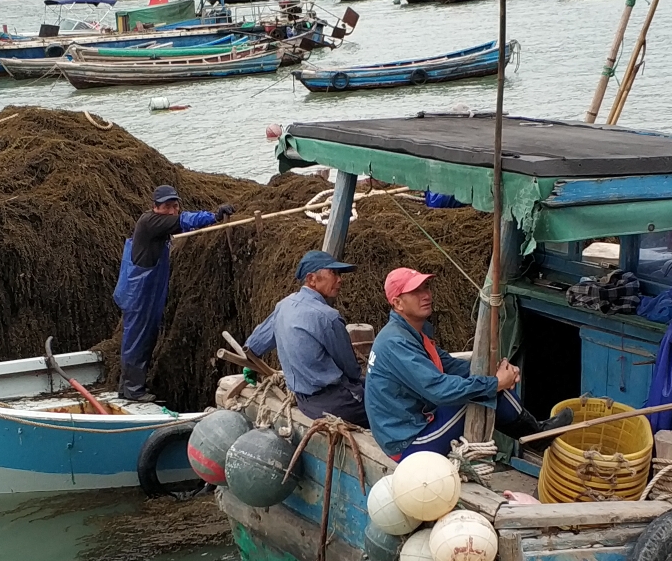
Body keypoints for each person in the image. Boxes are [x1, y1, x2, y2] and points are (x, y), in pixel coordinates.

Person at [364, 267, 569, 459]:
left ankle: (535, 435)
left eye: (426, 287)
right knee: (486, 393)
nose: (425, 295)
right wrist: (495, 383)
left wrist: (494, 372)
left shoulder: (411, 333)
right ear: (398, 303)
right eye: (415, 292)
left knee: (488, 386)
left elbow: (452, 366)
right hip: (407, 444)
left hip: (414, 425)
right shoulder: (396, 342)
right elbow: (440, 390)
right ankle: (536, 437)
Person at [113, 184, 230, 401]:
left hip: (146, 290)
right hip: (139, 292)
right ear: (155, 207)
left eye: (175, 206)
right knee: (137, 339)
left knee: (144, 337)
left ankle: (127, 387)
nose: (172, 211)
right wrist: (214, 216)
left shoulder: (157, 224)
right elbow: (185, 221)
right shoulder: (150, 222)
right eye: (167, 206)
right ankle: (133, 390)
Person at [245, 250, 368, 425]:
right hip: (337, 404)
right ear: (311, 279)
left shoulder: (284, 305)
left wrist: (249, 365)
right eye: (333, 273)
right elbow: (351, 370)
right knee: (388, 402)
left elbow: (253, 346)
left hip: (305, 402)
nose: (340, 279)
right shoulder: (328, 317)